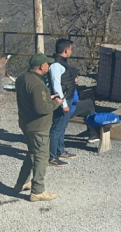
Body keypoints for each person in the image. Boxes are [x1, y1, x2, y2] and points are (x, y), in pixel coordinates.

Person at [14, 53, 64, 202]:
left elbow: (32, 100)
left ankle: (21, 183)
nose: (48, 67)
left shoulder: (22, 78)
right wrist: (56, 103)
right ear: (42, 66)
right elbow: (42, 108)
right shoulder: (38, 84)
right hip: (38, 126)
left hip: (26, 123)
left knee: (32, 154)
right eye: (47, 64)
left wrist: (47, 98)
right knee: (41, 157)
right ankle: (38, 190)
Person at [47, 39, 83, 167]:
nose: (71, 51)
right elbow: (57, 86)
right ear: (66, 50)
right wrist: (64, 104)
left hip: (66, 98)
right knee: (56, 128)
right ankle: (52, 156)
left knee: (62, 127)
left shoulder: (62, 63)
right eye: (71, 49)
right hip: (62, 99)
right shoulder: (57, 65)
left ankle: (60, 150)